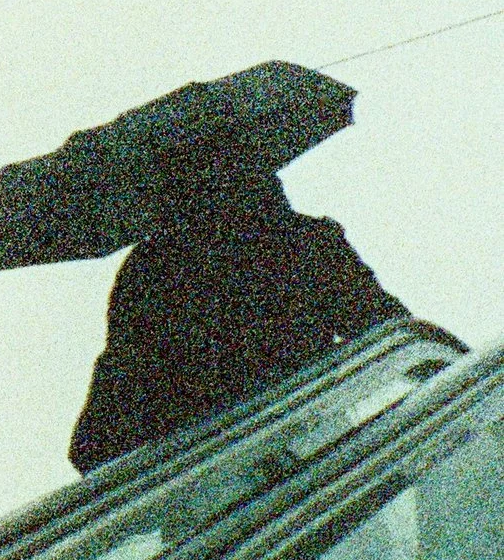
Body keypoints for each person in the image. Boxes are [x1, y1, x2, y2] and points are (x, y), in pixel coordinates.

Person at [69, 140, 445, 473]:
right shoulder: (305, 242)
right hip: (319, 459)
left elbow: (102, 427)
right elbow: (390, 335)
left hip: (208, 493)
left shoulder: (151, 271)